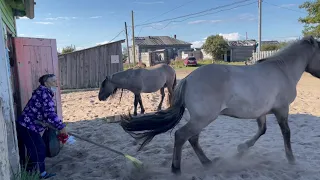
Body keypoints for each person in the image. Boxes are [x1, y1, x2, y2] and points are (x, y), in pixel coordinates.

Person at [16, 74, 67, 179]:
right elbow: (50, 114)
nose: (56, 83)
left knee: (35, 148)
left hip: (30, 125)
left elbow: (46, 114)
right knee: (39, 148)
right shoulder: (44, 94)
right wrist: (61, 127)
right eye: (53, 81)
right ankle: (39, 174)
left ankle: (32, 172)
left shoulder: (44, 92)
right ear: (46, 83)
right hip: (28, 126)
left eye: (56, 81)